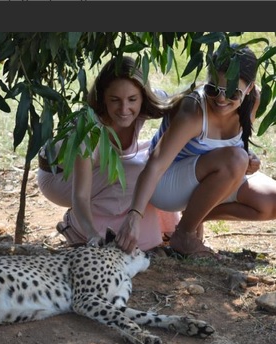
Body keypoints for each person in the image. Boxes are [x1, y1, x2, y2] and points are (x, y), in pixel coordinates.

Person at [115, 44, 276, 258]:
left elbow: (233, 148)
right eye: (212, 88)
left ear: (249, 88)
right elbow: (156, 164)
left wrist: (249, 159)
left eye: (232, 93)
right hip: (166, 185)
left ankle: (194, 217)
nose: (220, 98)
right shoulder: (194, 111)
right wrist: (135, 215)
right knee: (236, 159)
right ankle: (184, 234)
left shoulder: (253, 99)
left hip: (206, 179)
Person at [37, 56, 180, 251]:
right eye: (115, 100)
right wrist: (90, 235)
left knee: (157, 159)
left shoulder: (148, 104)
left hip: (99, 167)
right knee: (139, 171)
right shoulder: (89, 131)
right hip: (60, 179)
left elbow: (186, 105)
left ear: (143, 96)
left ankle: (168, 230)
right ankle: (77, 228)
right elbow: (80, 196)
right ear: (103, 98)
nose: (124, 109)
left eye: (132, 99)